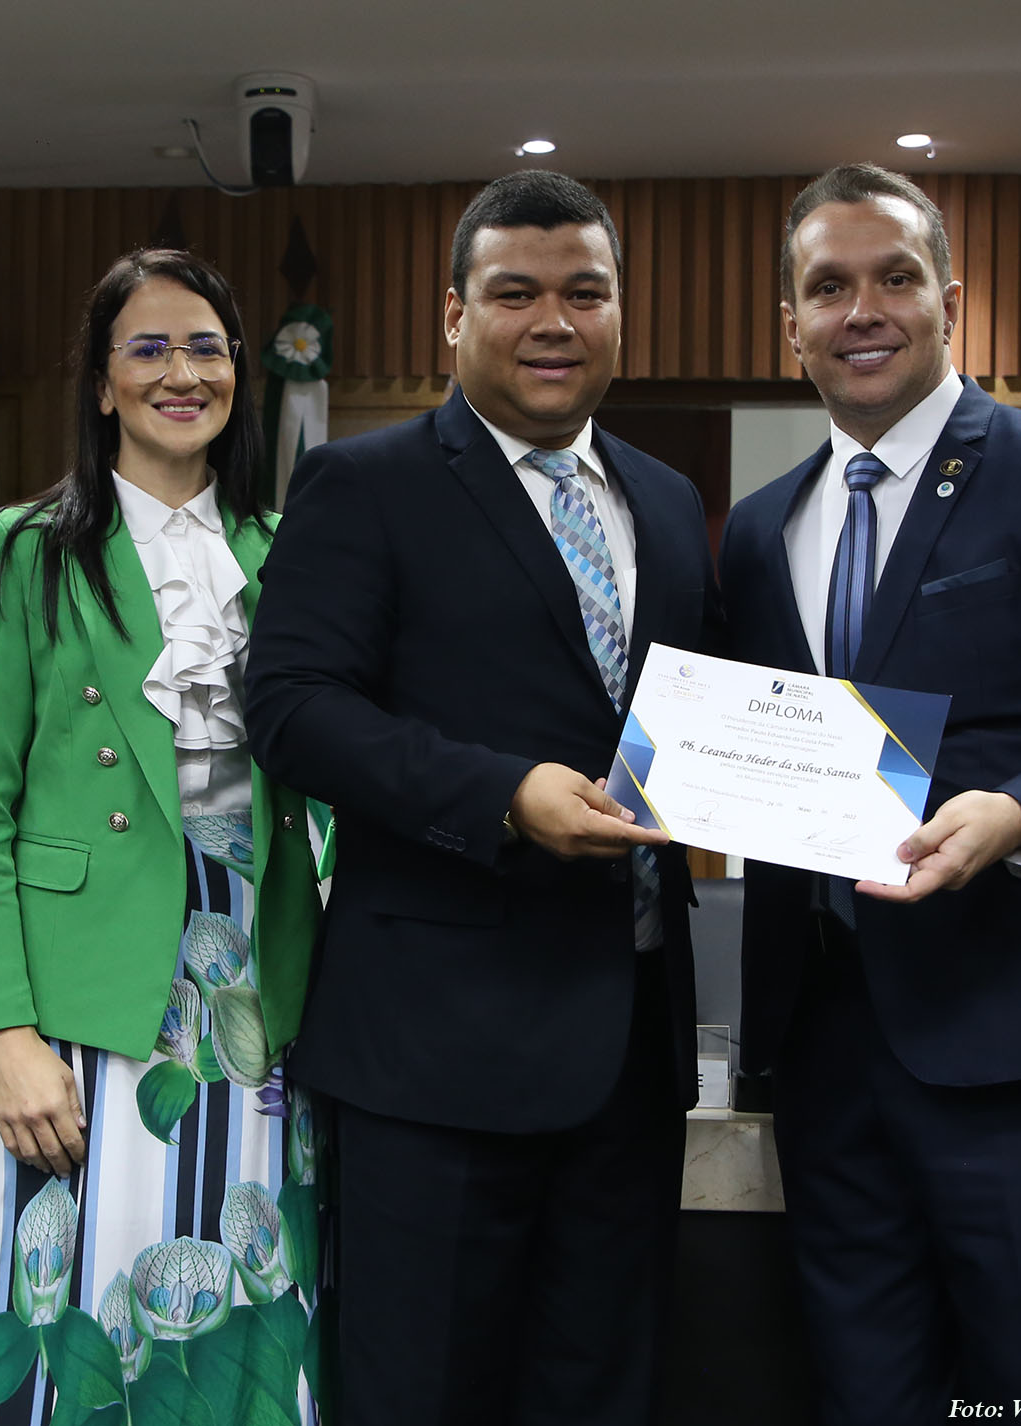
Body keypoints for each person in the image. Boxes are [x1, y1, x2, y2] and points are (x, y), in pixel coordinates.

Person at [718, 162, 1021, 1423]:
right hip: (825, 1050)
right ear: (789, 326)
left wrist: (1020, 812)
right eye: (826, 287)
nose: (861, 310)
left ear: (949, 302)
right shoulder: (759, 527)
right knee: (862, 1393)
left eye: (893, 278)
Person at [245, 170, 723, 1426]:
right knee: (424, 1391)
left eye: (585, 293)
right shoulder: (366, 483)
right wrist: (502, 794)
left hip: (632, 1050)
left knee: (603, 1392)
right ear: (451, 315)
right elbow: (291, 708)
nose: (552, 321)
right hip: (434, 1055)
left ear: (619, 313)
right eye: (514, 293)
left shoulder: (667, 502)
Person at [0, 249, 323, 1423]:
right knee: (75, 1286)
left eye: (205, 348)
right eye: (146, 349)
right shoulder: (23, 548)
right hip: (78, 995)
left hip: (251, 984)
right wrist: (3, 1031)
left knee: (239, 1283)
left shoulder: (286, 550)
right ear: (100, 383)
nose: (180, 374)